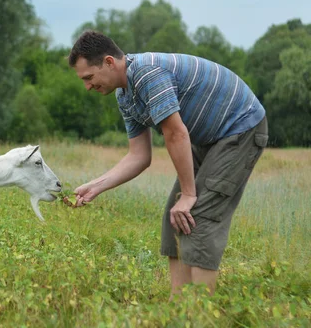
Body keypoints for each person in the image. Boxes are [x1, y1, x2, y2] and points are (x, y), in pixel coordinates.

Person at [68, 30, 268, 298]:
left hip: (240, 127)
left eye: (89, 78)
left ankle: (200, 316)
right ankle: (178, 309)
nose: (87, 87)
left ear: (108, 62)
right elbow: (139, 156)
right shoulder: (125, 95)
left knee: (198, 215)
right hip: (207, 138)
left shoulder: (148, 74)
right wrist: (96, 186)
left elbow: (176, 133)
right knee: (174, 216)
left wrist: (188, 194)